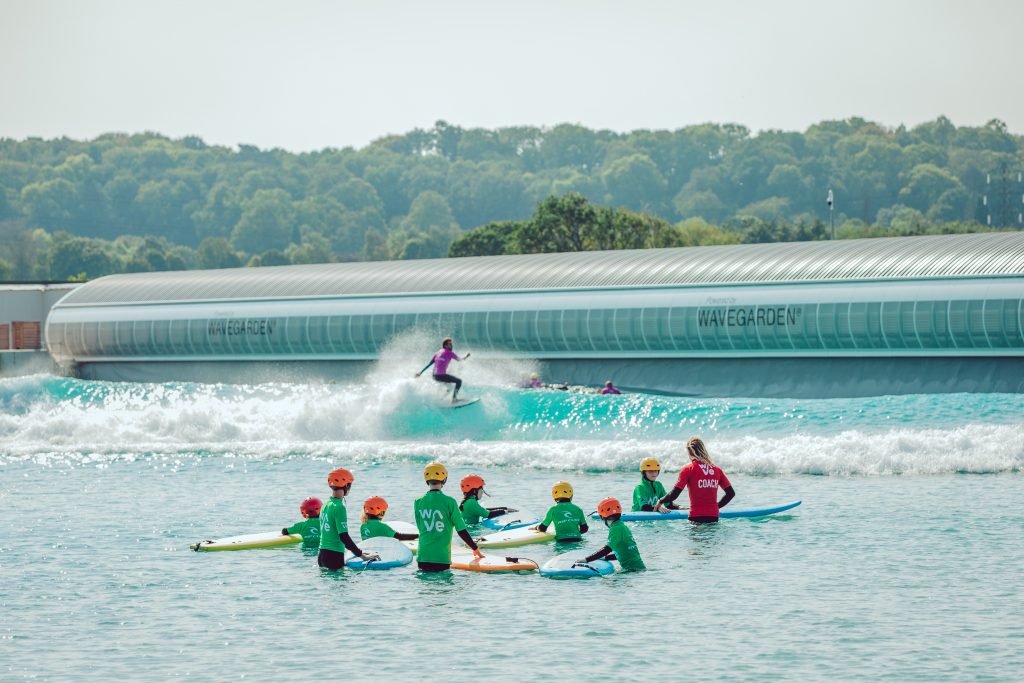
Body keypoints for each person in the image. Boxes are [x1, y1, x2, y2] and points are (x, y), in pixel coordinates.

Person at [414, 462, 484, 572]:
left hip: (422, 557)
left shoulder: (418, 502)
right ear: (444, 479)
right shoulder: (450, 502)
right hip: (441, 558)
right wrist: (475, 548)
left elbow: (421, 527)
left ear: (426, 479)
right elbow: (461, 529)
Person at [654, 436, 735, 522]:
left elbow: (674, 494)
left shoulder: (688, 469)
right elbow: (730, 493)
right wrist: (715, 506)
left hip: (696, 517)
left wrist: (660, 501)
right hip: (713, 517)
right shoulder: (717, 470)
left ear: (690, 453)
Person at [317, 468, 380, 570]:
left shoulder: (325, 504)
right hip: (334, 556)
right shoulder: (339, 507)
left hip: (322, 555)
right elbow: (344, 537)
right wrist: (361, 555)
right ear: (346, 485)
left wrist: (358, 552)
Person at [583, 497, 646, 572]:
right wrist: (606, 558)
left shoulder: (615, 528)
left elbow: (607, 549)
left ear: (602, 516)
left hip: (632, 570)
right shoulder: (621, 525)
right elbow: (624, 552)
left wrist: (586, 559)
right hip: (638, 569)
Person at [416, 337, 471, 402]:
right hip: (441, 375)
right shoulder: (450, 353)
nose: (451, 345)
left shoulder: (437, 352)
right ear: (445, 345)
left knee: (449, 388)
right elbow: (460, 360)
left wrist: (420, 372)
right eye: (449, 344)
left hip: (434, 376)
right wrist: (466, 356)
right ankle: (454, 399)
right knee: (459, 381)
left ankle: (439, 400)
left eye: (451, 344)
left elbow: (429, 364)